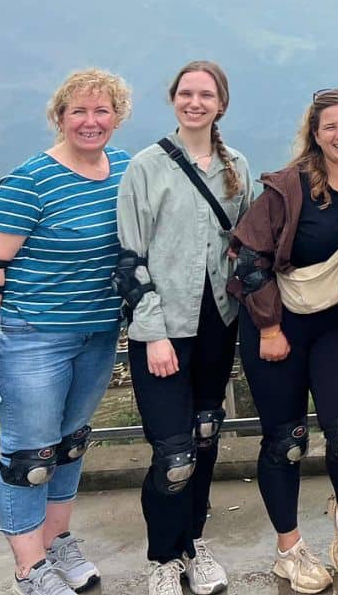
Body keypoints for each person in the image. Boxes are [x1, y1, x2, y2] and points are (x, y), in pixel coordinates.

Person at [0, 68, 134, 595]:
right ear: (59, 118)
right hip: (32, 336)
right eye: (79, 111)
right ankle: (28, 569)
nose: (91, 121)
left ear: (117, 118)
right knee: (30, 454)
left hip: (97, 333)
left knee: (69, 444)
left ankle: (57, 543)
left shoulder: (124, 169)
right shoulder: (29, 181)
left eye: (102, 111)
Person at [227, 87, 338, 594]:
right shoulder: (287, 188)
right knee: (287, 442)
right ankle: (288, 550)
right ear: (314, 136)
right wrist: (270, 328)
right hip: (279, 327)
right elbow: (249, 262)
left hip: (336, 324)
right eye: (330, 127)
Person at [115, 61, 255, 595]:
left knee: (204, 437)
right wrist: (151, 334)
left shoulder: (235, 164)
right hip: (163, 328)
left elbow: (246, 244)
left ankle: (194, 545)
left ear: (221, 104)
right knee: (173, 453)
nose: (195, 102)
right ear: (173, 99)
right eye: (186, 93)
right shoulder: (145, 168)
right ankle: (162, 558)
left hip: (218, 323)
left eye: (207, 94)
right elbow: (129, 258)